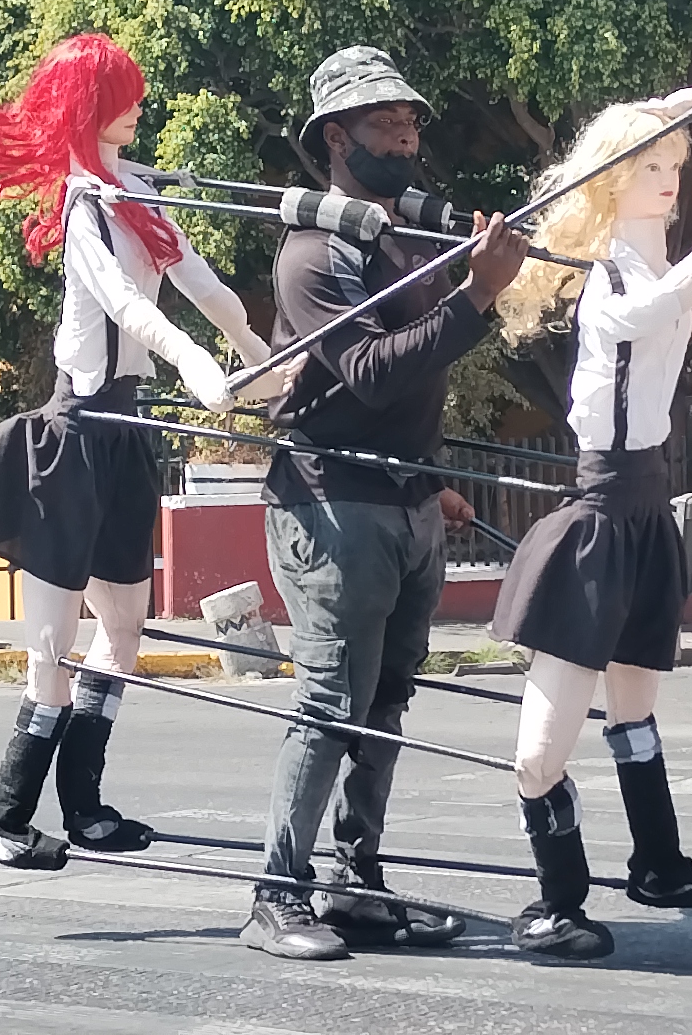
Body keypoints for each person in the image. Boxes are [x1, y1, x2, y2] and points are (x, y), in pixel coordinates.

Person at [0, 35, 288, 871]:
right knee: (52, 647)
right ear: (89, 107)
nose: (138, 105)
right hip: (71, 441)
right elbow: (122, 304)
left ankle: (85, 807)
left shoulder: (135, 191)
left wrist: (256, 355)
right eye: (122, 95)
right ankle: (7, 820)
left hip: (125, 436)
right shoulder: (84, 206)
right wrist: (195, 362)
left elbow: (201, 281)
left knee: (124, 630)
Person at [240, 46, 532, 961]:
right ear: (337, 138)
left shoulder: (405, 239)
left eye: (410, 124)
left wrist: (433, 478)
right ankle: (275, 895)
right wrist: (478, 295)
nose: (406, 139)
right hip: (332, 506)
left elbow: (418, 385)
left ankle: (354, 881)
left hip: (405, 500)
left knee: (387, 701)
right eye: (385, 125)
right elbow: (369, 372)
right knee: (332, 702)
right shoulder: (312, 254)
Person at [489, 88, 692, 959]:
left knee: (635, 711)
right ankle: (555, 903)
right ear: (610, 181)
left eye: (675, 167)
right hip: (601, 520)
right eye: (650, 167)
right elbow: (668, 298)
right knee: (540, 753)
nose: (670, 181)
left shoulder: (650, 265)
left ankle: (658, 864)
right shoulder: (611, 283)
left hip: (646, 511)